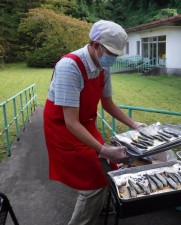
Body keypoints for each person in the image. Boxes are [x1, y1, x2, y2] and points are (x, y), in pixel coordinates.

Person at [43, 20, 145, 225]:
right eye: (111, 53)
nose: (113, 58)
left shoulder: (102, 67)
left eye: (116, 54)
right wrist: (104, 149)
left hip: (86, 124)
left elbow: (108, 104)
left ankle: (95, 206)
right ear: (96, 44)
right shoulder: (69, 67)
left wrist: (133, 124)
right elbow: (71, 122)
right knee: (94, 184)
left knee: (102, 168)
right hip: (63, 129)